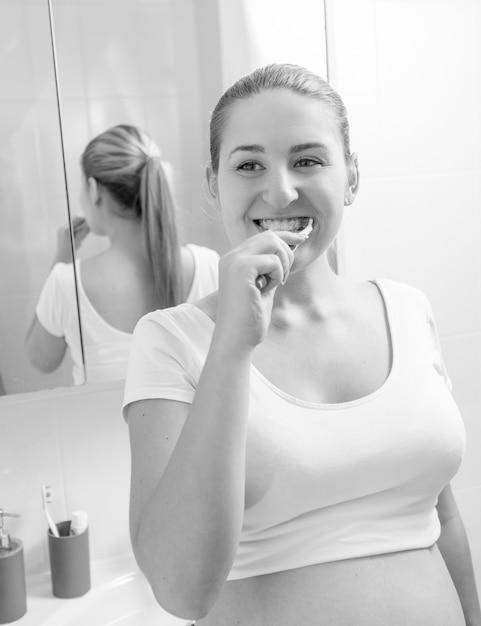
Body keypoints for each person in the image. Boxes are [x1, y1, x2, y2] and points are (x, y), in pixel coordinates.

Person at [123, 65, 481, 625]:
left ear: (352, 177)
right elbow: (180, 590)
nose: (281, 189)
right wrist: (232, 347)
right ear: (215, 186)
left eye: (308, 160)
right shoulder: (172, 340)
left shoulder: (409, 309)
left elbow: (441, 515)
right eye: (249, 165)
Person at [26, 124, 219, 385]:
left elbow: (41, 359)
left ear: (93, 189)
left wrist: (62, 258)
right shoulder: (210, 265)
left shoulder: (67, 281)